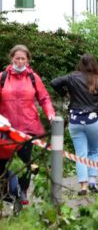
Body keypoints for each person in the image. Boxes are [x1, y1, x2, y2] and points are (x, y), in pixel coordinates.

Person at [0, 45, 56, 205]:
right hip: (6, 128)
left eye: (22, 58)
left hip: (27, 128)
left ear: (28, 60)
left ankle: (23, 192)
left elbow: (44, 98)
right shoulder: (3, 77)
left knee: (25, 161)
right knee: (3, 162)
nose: (19, 61)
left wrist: (50, 113)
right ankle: (6, 194)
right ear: (11, 59)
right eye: (16, 58)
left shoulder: (33, 77)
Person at [51, 53, 98, 196]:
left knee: (80, 154)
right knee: (94, 152)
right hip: (94, 120)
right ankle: (92, 182)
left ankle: (83, 186)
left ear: (80, 64)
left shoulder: (72, 77)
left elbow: (54, 82)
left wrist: (64, 92)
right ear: (94, 64)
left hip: (76, 120)